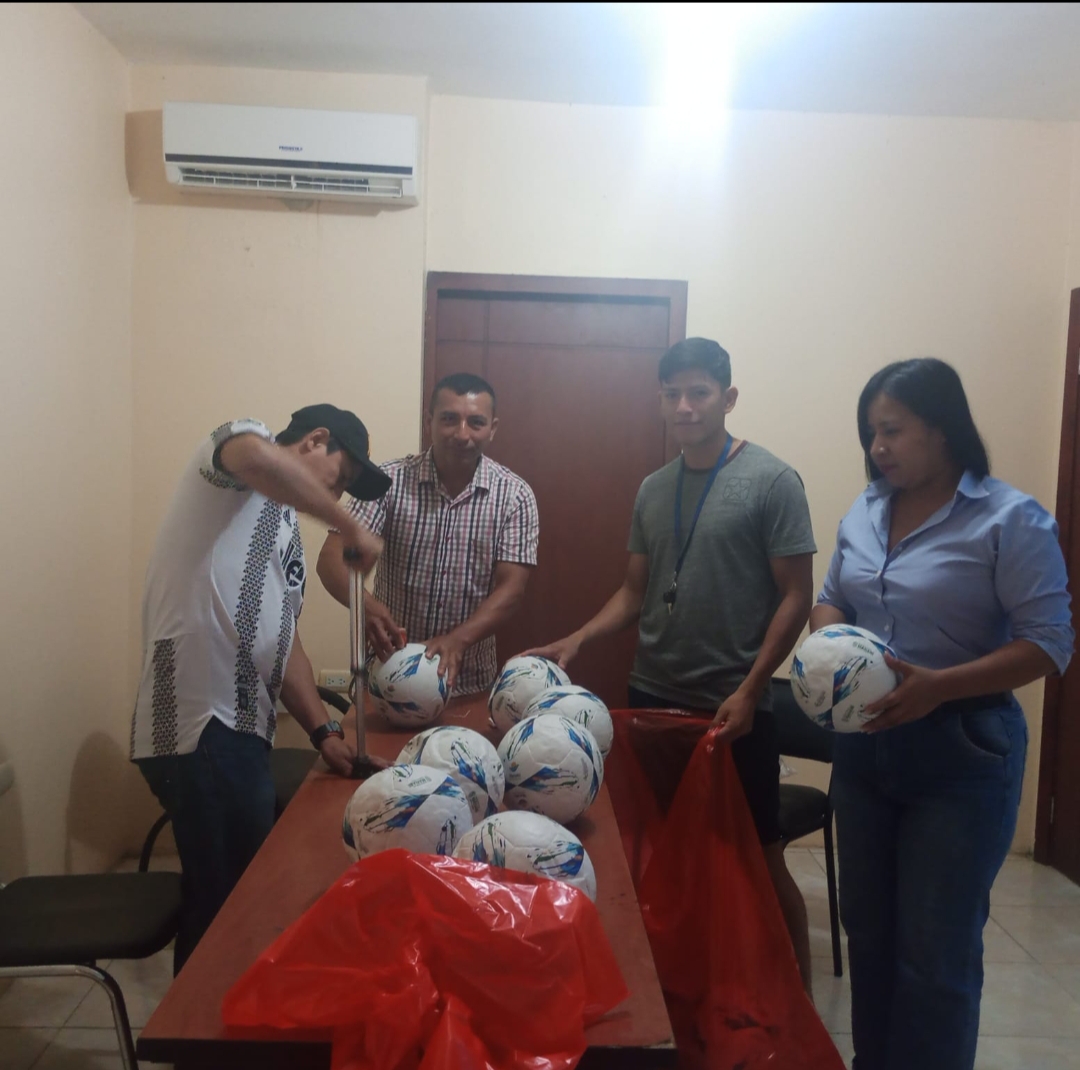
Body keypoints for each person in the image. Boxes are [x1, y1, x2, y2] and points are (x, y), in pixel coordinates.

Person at [526, 337, 818, 992]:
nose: (684, 406)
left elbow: (797, 597)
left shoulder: (773, 480)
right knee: (658, 851)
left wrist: (751, 690)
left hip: (733, 708)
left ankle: (792, 996)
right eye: (672, 394)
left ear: (728, 398)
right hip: (652, 698)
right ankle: (680, 985)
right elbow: (635, 591)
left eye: (699, 393)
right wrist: (578, 639)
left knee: (758, 859)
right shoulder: (654, 489)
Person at [809, 358, 1073, 1070]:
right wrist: (829, 644)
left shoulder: (1009, 519)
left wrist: (938, 687)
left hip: (962, 750)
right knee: (868, 932)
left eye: (892, 430)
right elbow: (833, 596)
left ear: (943, 428)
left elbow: (1049, 645)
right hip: (865, 747)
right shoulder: (866, 509)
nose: (878, 448)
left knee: (935, 952)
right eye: (871, 433)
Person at [130, 405, 390, 974]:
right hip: (200, 724)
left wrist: (324, 733)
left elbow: (281, 640)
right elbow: (254, 457)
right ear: (315, 440)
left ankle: (222, 1011)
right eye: (341, 478)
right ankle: (206, 1023)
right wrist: (348, 526)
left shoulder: (284, 531)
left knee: (237, 898)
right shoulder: (238, 462)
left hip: (240, 734)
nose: (337, 497)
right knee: (228, 910)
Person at [318, 373, 538, 695]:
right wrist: (367, 607)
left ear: (492, 428)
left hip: (468, 681)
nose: (462, 434)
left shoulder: (515, 495)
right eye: (449, 419)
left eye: (476, 422)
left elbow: (512, 589)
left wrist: (457, 640)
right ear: (429, 422)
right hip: (388, 675)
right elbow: (330, 560)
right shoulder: (389, 481)